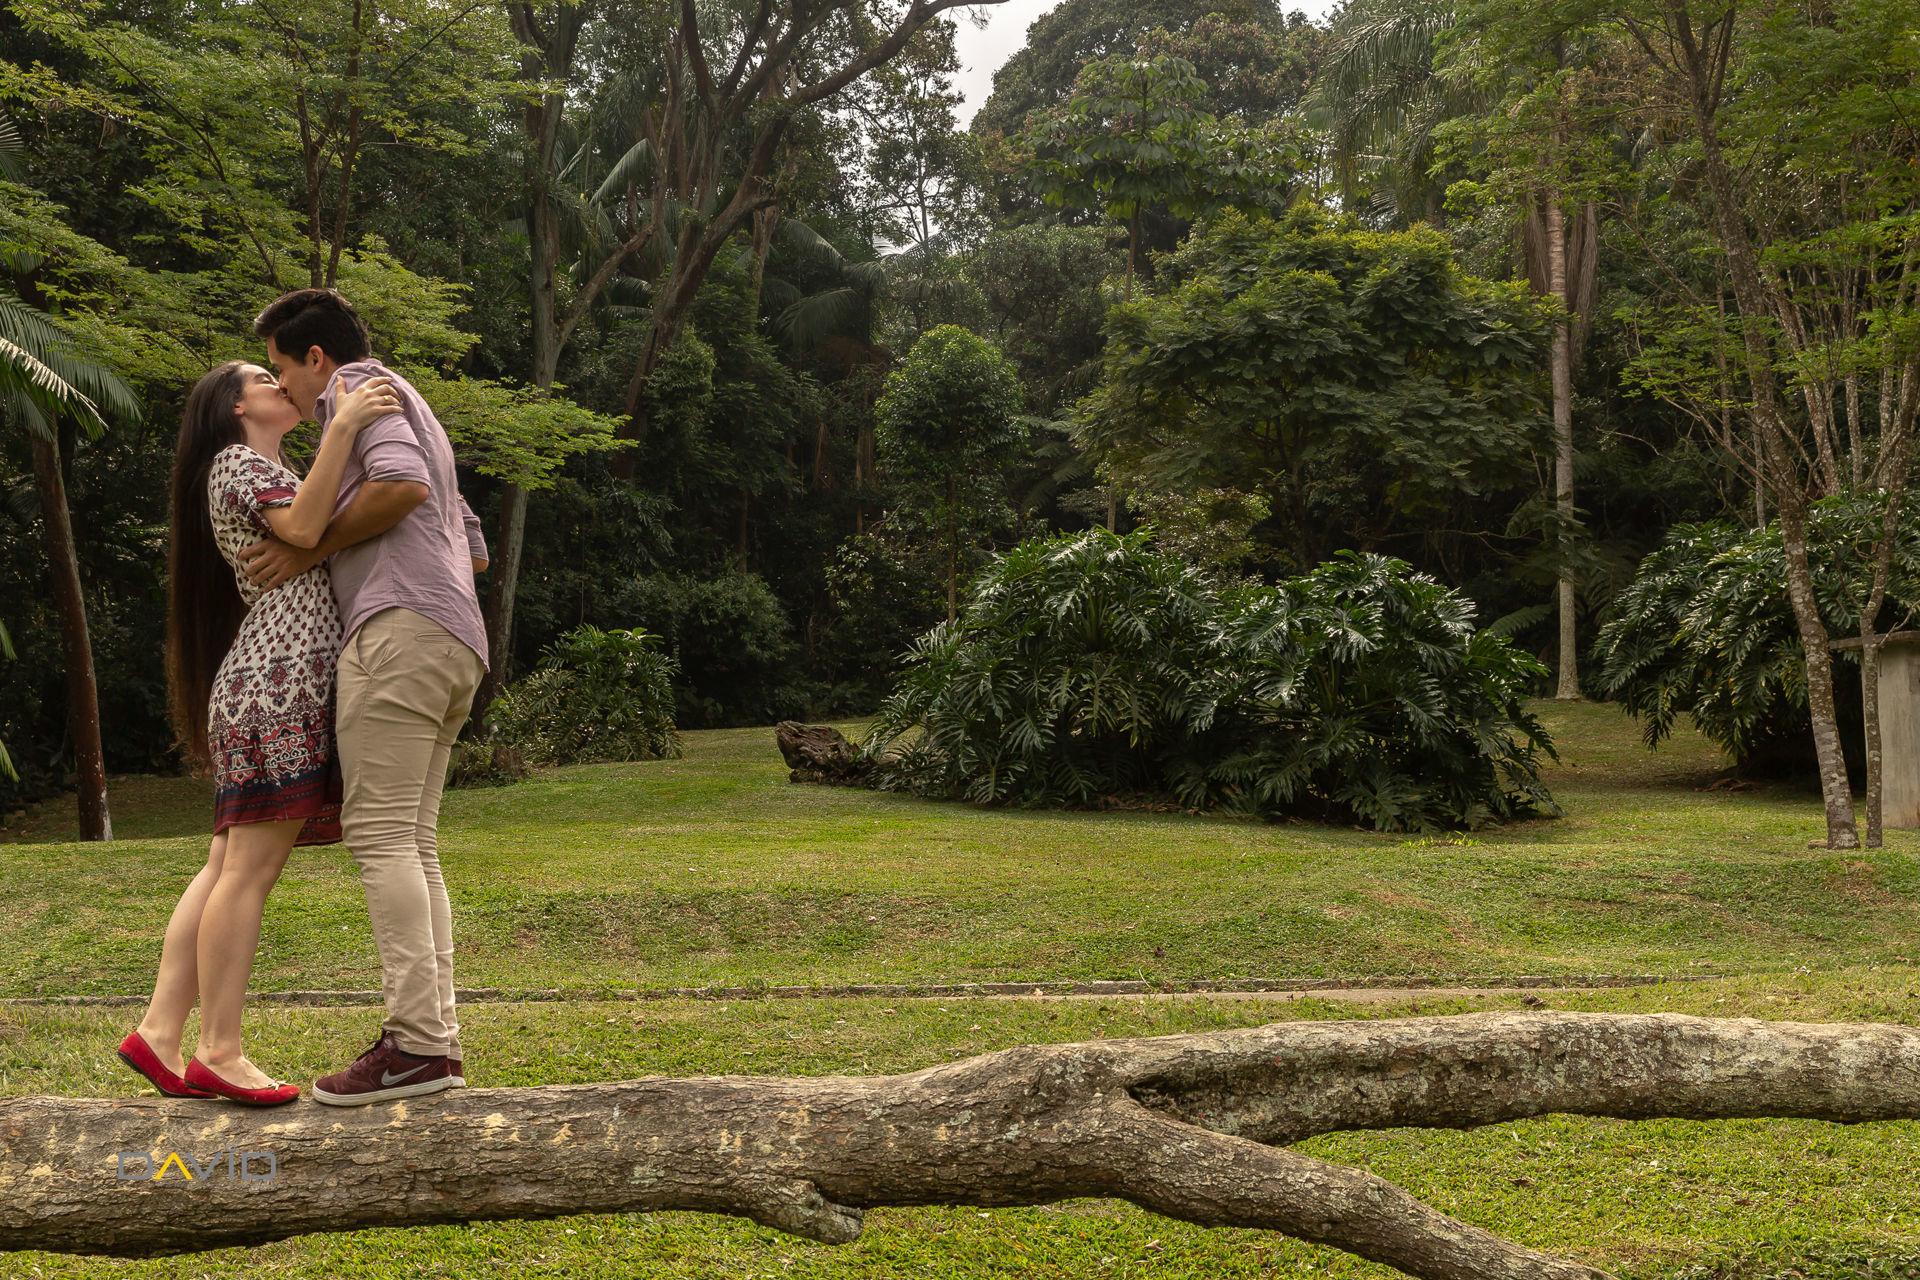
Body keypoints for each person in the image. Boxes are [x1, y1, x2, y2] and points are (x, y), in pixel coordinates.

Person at [118, 360, 401, 1107]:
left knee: (224, 868)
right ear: (235, 408)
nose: (280, 384)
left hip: (260, 681)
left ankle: (159, 1032)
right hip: (278, 682)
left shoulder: (266, 466)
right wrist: (344, 423)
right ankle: (220, 1049)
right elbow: (307, 527)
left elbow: (310, 534)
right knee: (247, 873)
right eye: (261, 378)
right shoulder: (236, 462)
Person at [241, 288, 491, 1106]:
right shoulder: (411, 405)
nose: (286, 389)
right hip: (454, 634)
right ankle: (434, 1044)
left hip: (398, 632)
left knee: (382, 837)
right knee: (412, 844)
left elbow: (403, 489)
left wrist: (315, 548)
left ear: (318, 358)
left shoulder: (357, 390)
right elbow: (472, 541)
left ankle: (416, 1046)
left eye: (284, 369)